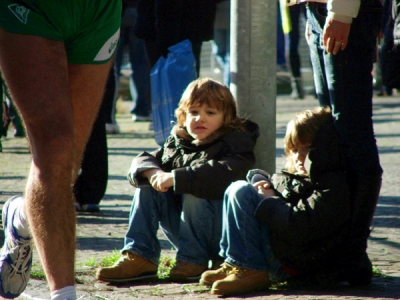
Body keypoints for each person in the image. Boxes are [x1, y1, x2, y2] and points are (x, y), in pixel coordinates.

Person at [0, 1, 121, 299]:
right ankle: (65, 294)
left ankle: (20, 217)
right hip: (30, 8)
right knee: (55, 147)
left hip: (97, 11)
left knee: (66, 165)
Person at [96, 78, 259, 283]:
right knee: (149, 183)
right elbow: (143, 159)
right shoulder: (179, 141)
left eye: (210, 113)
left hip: (219, 234)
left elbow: (225, 172)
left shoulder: (236, 142)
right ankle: (140, 255)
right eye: (193, 112)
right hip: (185, 229)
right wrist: (153, 173)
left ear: (226, 118)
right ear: (183, 116)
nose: (200, 119)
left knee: (194, 185)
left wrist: (175, 177)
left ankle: (193, 260)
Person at [200, 107, 352, 296]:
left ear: (323, 148)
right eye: (294, 150)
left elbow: (297, 225)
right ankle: (234, 262)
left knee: (242, 191)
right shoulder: (295, 177)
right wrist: (265, 186)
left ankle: (249, 267)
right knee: (237, 188)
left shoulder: (329, 184)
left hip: (294, 263)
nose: (298, 157)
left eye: (305, 148)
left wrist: (270, 198)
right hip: (281, 250)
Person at [289, 0, 383, 284]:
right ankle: (341, 252)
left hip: (342, 11)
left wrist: (341, 11)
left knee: (352, 135)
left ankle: (352, 255)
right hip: (321, 11)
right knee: (332, 136)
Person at [115, 0, 151, 122]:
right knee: (140, 64)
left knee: (114, 65)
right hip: (138, 9)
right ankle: (141, 109)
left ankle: (109, 113)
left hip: (117, 11)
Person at [212, 0, 231, 87]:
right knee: (219, 53)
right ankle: (231, 74)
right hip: (216, 17)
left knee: (230, 58)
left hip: (232, 17)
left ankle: (228, 86)